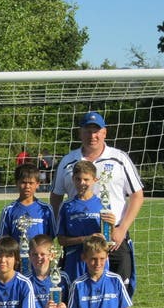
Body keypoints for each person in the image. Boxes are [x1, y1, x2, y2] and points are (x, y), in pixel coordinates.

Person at [50, 111, 144, 297]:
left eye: (96, 131)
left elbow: (137, 195)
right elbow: (56, 196)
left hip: (114, 238)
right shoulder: (68, 161)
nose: (92, 136)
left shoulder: (119, 158)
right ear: (80, 132)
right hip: (79, 242)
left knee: (119, 292)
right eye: (87, 131)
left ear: (104, 133)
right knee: (78, 292)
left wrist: (122, 229)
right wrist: (61, 228)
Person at [57, 160, 116, 282]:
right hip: (75, 261)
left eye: (86, 179)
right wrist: (85, 239)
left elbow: (108, 240)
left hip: (97, 261)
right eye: (78, 179)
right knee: (75, 292)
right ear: (73, 179)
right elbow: (61, 240)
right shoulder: (67, 206)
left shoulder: (103, 204)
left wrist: (112, 226)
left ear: (95, 180)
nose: (82, 183)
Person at [0, 163, 56, 274]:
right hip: (17, 263)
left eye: (31, 183)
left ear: (38, 184)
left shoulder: (46, 209)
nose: (27, 186)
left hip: (40, 261)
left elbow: (51, 237)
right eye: (23, 182)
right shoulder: (9, 210)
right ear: (17, 183)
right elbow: (4, 240)